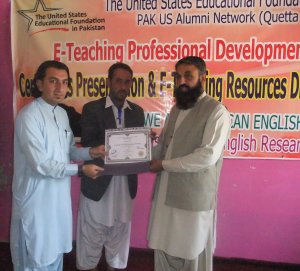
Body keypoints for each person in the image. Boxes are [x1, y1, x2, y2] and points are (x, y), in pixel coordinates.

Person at [10, 60, 105, 271]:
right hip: (35, 201)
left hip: (57, 201)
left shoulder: (61, 114)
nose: (60, 88)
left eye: (64, 82)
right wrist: (81, 170)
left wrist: (92, 152)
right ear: (40, 84)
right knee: (34, 258)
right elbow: (41, 164)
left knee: (55, 256)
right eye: (53, 81)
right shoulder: (29, 116)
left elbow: (69, 151)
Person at [148, 56, 231, 271]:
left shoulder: (217, 111)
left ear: (202, 77)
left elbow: (207, 156)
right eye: (178, 76)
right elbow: (164, 148)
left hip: (193, 199)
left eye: (188, 76)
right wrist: (141, 149)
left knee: (192, 250)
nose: (182, 81)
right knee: (163, 246)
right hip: (166, 193)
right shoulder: (175, 110)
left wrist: (164, 165)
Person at [76, 62, 145, 271]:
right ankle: (88, 266)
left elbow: (137, 148)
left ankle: (115, 266)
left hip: (125, 182)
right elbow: (88, 143)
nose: (122, 86)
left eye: (127, 82)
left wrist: (143, 143)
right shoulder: (92, 108)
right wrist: (114, 146)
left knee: (120, 229)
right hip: (99, 180)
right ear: (108, 82)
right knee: (92, 230)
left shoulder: (137, 111)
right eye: (118, 81)